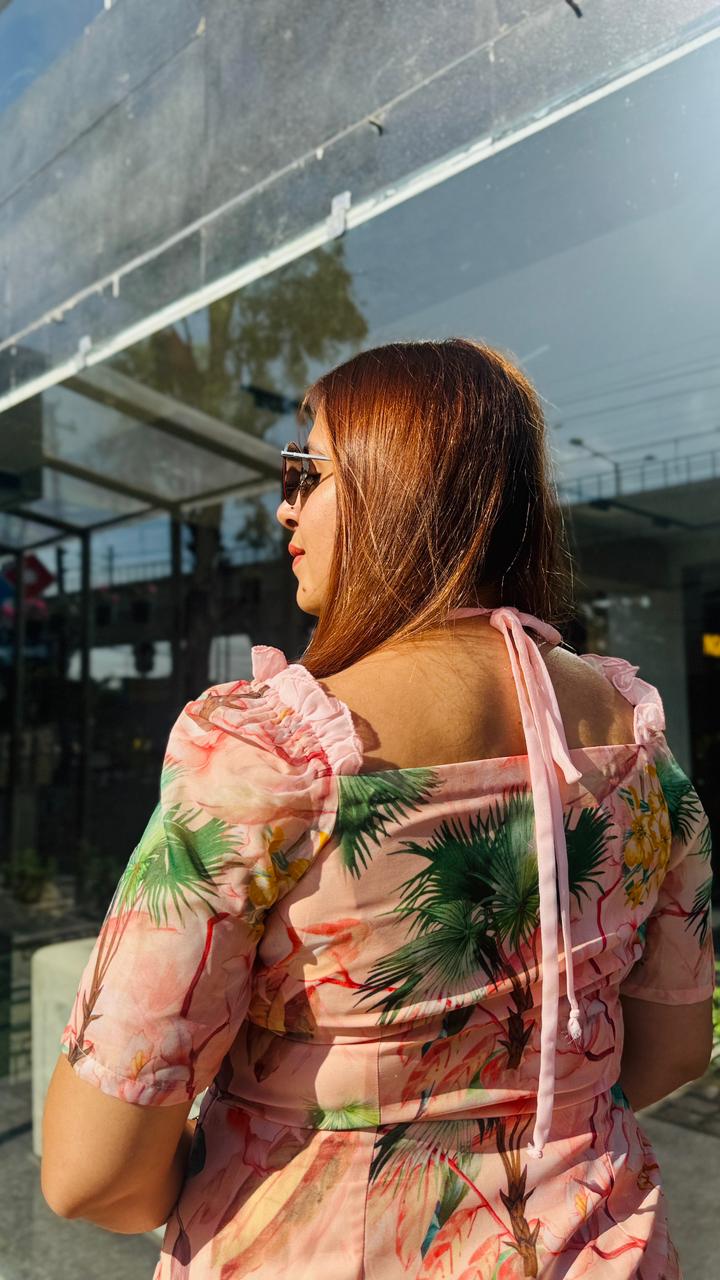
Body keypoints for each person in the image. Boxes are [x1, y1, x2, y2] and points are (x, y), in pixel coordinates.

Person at [42, 339, 715, 1277]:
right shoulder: (635, 739)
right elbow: (676, 1046)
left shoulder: (268, 754)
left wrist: (250, 1174)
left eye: (304, 471)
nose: (284, 506)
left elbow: (91, 1172)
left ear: (394, 480)